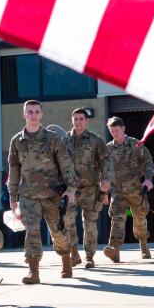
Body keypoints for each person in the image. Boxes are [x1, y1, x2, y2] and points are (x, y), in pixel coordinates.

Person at [8, 100, 78, 283]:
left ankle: (65, 259)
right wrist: (12, 196)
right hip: (28, 195)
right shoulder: (17, 141)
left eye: (36, 111)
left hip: (52, 194)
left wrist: (71, 189)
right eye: (29, 112)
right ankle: (33, 270)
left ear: (41, 115)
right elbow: (13, 170)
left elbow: (66, 165)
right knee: (31, 230)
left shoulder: (52, 139)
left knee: (58, 231)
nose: (33, 115)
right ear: (24, 115)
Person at [64, 108, 114, 269]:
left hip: (90, 188)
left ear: (87, 121)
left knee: (90, 223)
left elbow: (106, 161)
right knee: (68, 222)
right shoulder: (64, 141)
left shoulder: (95, 140)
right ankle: (74, 254)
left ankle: (89, 256)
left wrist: (106, 179)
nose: (78, 122)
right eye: (75, 119)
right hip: (70, 189)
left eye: (81, 119)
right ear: (72, 120)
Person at [104, 117, 154, 262]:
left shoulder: (136, 144)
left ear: (123, 128)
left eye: (117, 130)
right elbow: (105, 171)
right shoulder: (108, 148)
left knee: (139, 218)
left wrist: (148, 178)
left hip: (136, 189)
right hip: (117, 190)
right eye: (112, 131)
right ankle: (115, 249)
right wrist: (104, 192)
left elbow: (148, 162)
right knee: (117, 218)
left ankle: (143, 244)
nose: (115, 133)